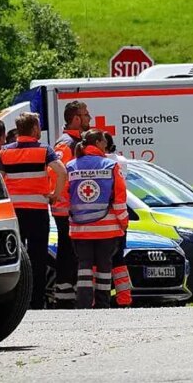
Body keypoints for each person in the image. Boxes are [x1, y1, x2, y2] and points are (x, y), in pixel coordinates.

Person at [0, 112, 67, 310]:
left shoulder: (5, 151)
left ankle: (16, 300)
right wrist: (55, 194)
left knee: (15, 256)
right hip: (37, 211)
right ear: (35, 129)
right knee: (37, 258)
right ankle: (36, 301)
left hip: (14, 213)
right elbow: (61, 172)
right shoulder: (44, 150)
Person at [67, 130, 129, 309]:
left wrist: (68, 221)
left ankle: (84, 303)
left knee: (84, 267)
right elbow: (119, 199)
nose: (106, 145)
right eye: (104, 142)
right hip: (107, 229)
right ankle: (103, 304)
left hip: (80, 230)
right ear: (99, 143)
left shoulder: (71, 166)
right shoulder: (110, 166)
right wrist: (123, 223)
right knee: (104, 268)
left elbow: (65, 198)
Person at [49, 101, 91, 308]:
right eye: (85, 114)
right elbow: (56, 173)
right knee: (68, 251)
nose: (89, 118)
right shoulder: (66, 144)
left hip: (73, 209)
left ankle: (69, 291)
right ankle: (64, 295)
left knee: (73, 252)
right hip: (66, 209)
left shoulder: (77, 142)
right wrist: (70, 200)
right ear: (76, 118)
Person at [104, 132, 133, 307]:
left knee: (97, 261)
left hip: (100, 221)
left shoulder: (111, 163)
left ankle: (98, 298)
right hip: (118, 218)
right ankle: (124, 298)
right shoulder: (120, 162)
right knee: (118, 259)